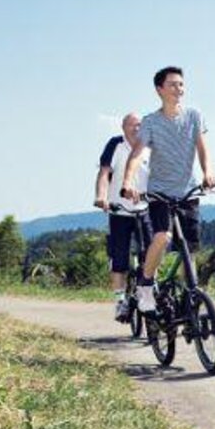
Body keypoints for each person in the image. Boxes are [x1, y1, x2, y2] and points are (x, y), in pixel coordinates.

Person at [122, 66, 215, 313]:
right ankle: (145, 284)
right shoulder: (151, 122)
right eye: (173, 84)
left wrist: (208, 172)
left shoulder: (194, 115)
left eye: (182, 84)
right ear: (160, 90)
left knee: (189, 249)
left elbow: (202, 148)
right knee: (162, 237)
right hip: (160, 193)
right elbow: (136, 155)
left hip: (187, 191)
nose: (179, 89)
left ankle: (190, 296)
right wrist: (128, 182)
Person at [94, 113, 152, 321]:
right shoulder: (115, 145)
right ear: (123, 127)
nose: (136, 129)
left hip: (145, 209)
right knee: (120, 260)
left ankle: (148, 294)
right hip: (119, 211)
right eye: (131, 125)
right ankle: (120, 301)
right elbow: (103, 174)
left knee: (151, 255)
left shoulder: (149, 147)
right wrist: (101, 197)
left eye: (139, 125)